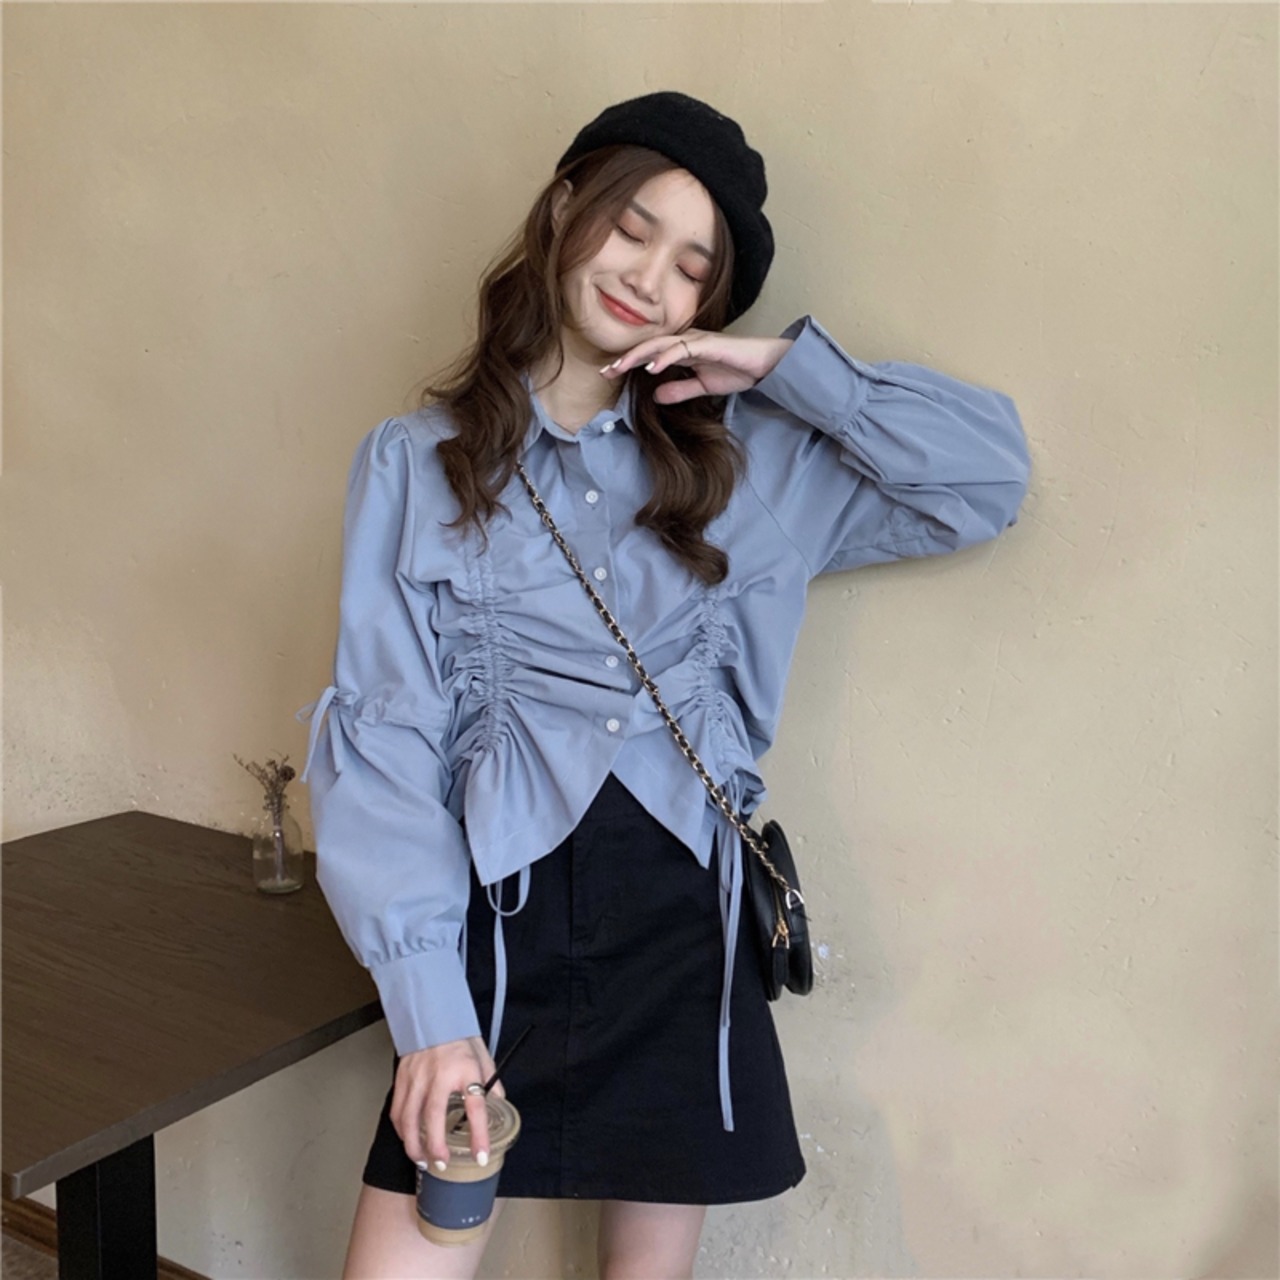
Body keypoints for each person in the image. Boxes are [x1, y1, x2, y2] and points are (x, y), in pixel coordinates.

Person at [295, 90, 1031, 1280]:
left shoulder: (749, 463)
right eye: (632, 227)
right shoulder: (415, 464)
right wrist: (428, 1009)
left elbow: (985, 479)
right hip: (488, 925)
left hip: (682, 926)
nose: (648, 277)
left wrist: (784, 367)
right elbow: (385, 736)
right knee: (408, 1253)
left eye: (692, 267)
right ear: (562, 209)